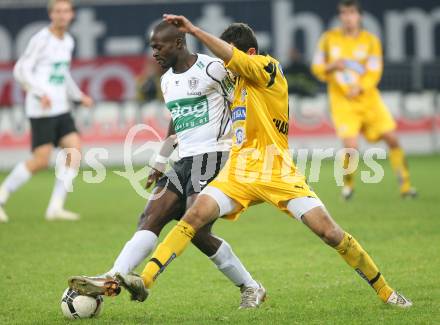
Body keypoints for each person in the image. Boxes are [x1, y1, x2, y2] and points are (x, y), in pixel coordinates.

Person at [114, 16, 412, 309]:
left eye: (229, 56)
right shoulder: (234, 84)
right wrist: (163, 155)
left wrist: (193, 30)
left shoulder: (268, 68)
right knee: (193, 218)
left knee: (329, 233)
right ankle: (146, 280)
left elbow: (231, 57)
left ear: (250, 54)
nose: (225, 65)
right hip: (239, 171)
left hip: (276, 171)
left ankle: (386, 291)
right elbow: (188, 111)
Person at [68, 21, 266, 309]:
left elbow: (247, 85)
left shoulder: (213, 68)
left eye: (158, 47)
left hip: (216, 156)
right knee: (150, 217)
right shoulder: (167, 80)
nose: (154, 54)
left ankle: (250, 286)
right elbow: (176, 118)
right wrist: (161, 160)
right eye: (152, 48)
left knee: (196, 228)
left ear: (178, 43)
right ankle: (113, 277)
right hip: (183, 161)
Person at [311, 0, 416, 200]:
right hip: (342, 102)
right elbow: (317, 68)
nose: (347, 17)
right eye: (344, 13)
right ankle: (348, 187)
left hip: (369, 100)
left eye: (351, 13)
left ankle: (406, 186)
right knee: (351, 146)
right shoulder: (328, 39)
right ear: (340, 16)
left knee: (392, 139)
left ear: (359, 16)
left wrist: (361, 86)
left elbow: (375, 70)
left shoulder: (370, 41)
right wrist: (331, 66)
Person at [0, 0, 93, 222]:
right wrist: (39, 93)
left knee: (74, 151)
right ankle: (2, 195)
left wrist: (78, 96)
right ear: (51, 15)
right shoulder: (41, 39)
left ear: (71, 15)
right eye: (58, 11)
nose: (62, 15)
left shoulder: (68, 41)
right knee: (41, 160)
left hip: (61, 107)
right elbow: (20, 69)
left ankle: (55, 207)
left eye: (66, 11)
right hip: (42, 109)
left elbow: (63, 73)